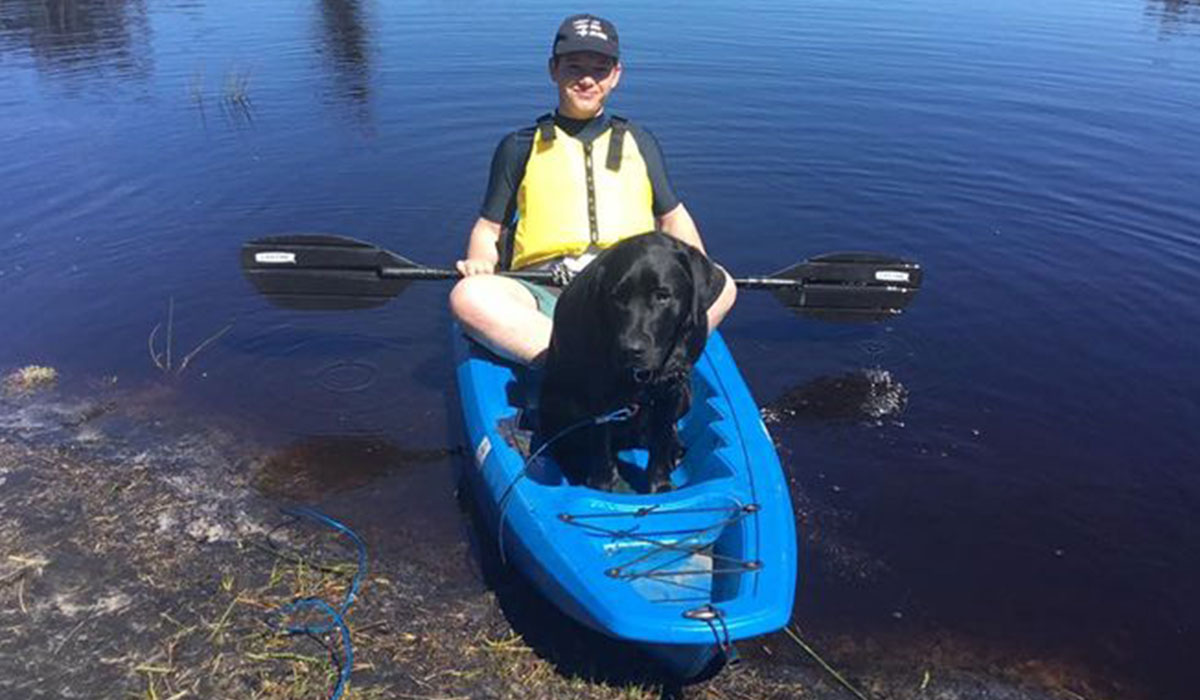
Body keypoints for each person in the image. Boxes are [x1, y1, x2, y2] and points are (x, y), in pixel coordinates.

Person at [449, 13, 736, 365]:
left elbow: (673, 218)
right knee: (469, 296)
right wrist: (481, 260)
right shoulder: (518, 147)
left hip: (631, 292)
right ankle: (571, 362)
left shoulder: (640, 142)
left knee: (722, 284)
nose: (587, 79)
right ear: (553, 69)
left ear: (616, 75)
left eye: (600, 69)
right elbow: (489, 228)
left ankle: (662, 361)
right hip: (543, 286)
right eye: (574, 67)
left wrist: (694, 273)